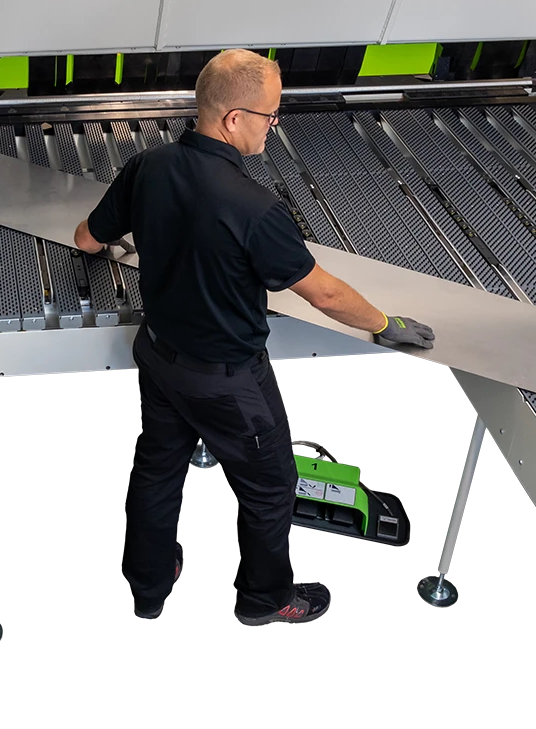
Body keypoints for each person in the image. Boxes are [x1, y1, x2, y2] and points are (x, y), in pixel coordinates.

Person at [73, 48, 435, 627]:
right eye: (270, 115)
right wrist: (386, 325)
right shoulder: (254, 208)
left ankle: (147, 590)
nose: (275, 126)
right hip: (227, 383)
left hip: (161, 359)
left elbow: (88, 238)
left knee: (157, 473)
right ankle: (267, 602)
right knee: (271, 490)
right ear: (233, 119)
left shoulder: (147, 167)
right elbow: (324, 294)